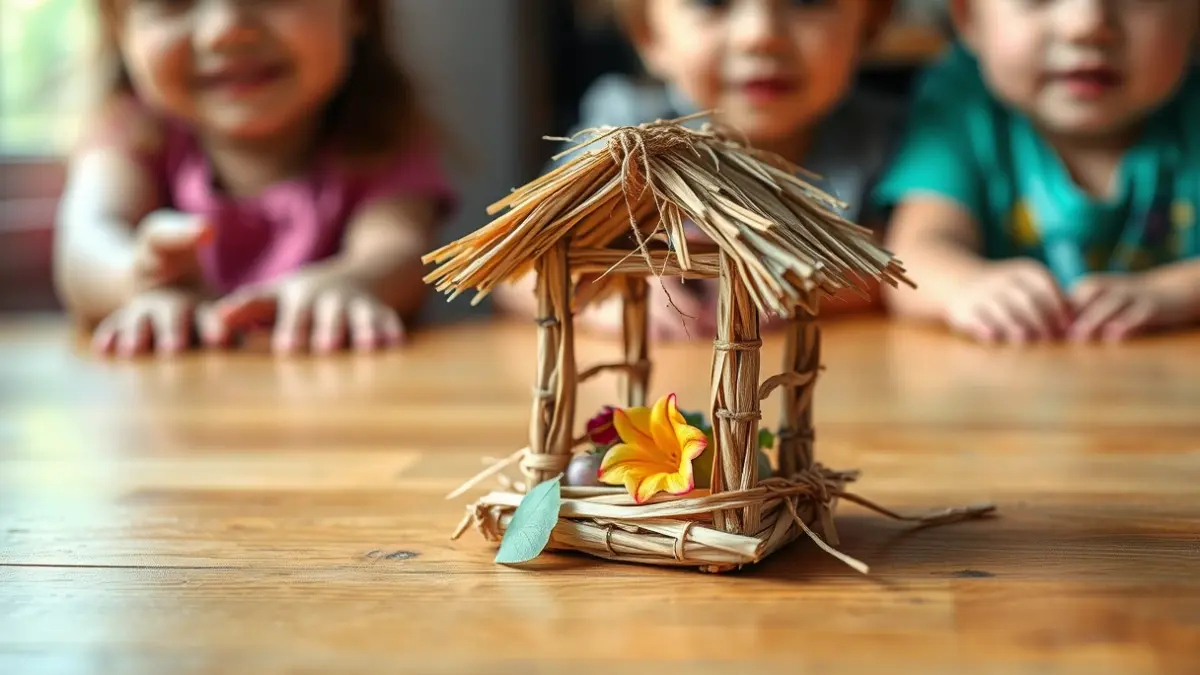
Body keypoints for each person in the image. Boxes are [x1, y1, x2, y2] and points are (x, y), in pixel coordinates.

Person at [54, 0, 458, 357]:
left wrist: (352, 282)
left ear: (357, 8)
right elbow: (85, 242)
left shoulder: (382, 135)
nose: (225, 29)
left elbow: (401, 251)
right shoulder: (131, 133)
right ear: (118, 27)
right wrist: (138, 278)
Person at [492, 0, 903, 341]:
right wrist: (605, 298)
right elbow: (511, 271)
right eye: (712, 1)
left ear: (871, 21)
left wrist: (815, 286)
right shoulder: (624, 133)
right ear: (648, 35)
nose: (759, 34)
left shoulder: (893, 139)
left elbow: (912, 265)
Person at [874, 0, 1200, 344]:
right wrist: (967, 286)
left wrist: (1167, 294)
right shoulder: (958, 107)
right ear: (968, 17)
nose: (1087, 25)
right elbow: (912, 256)